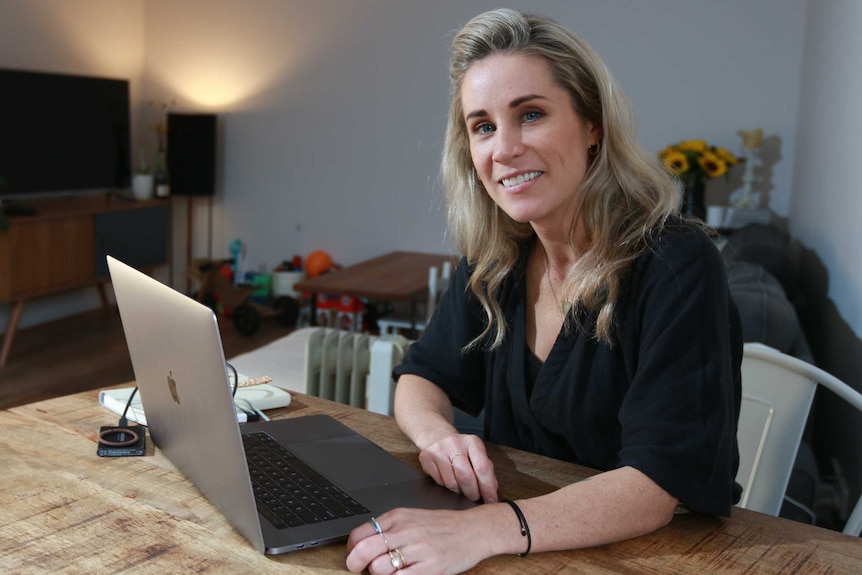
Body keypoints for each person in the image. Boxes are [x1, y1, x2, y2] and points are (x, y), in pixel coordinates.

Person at [346, 8, 742, 575]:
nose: (503, 149)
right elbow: (422, 375)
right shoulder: (496, 260)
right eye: (482, 126)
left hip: (652, 554)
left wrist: (476, 531)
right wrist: (438, 438)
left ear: (593, 126)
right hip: (520, 548)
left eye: (529, 114)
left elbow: (658, 483)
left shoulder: (675, 264)